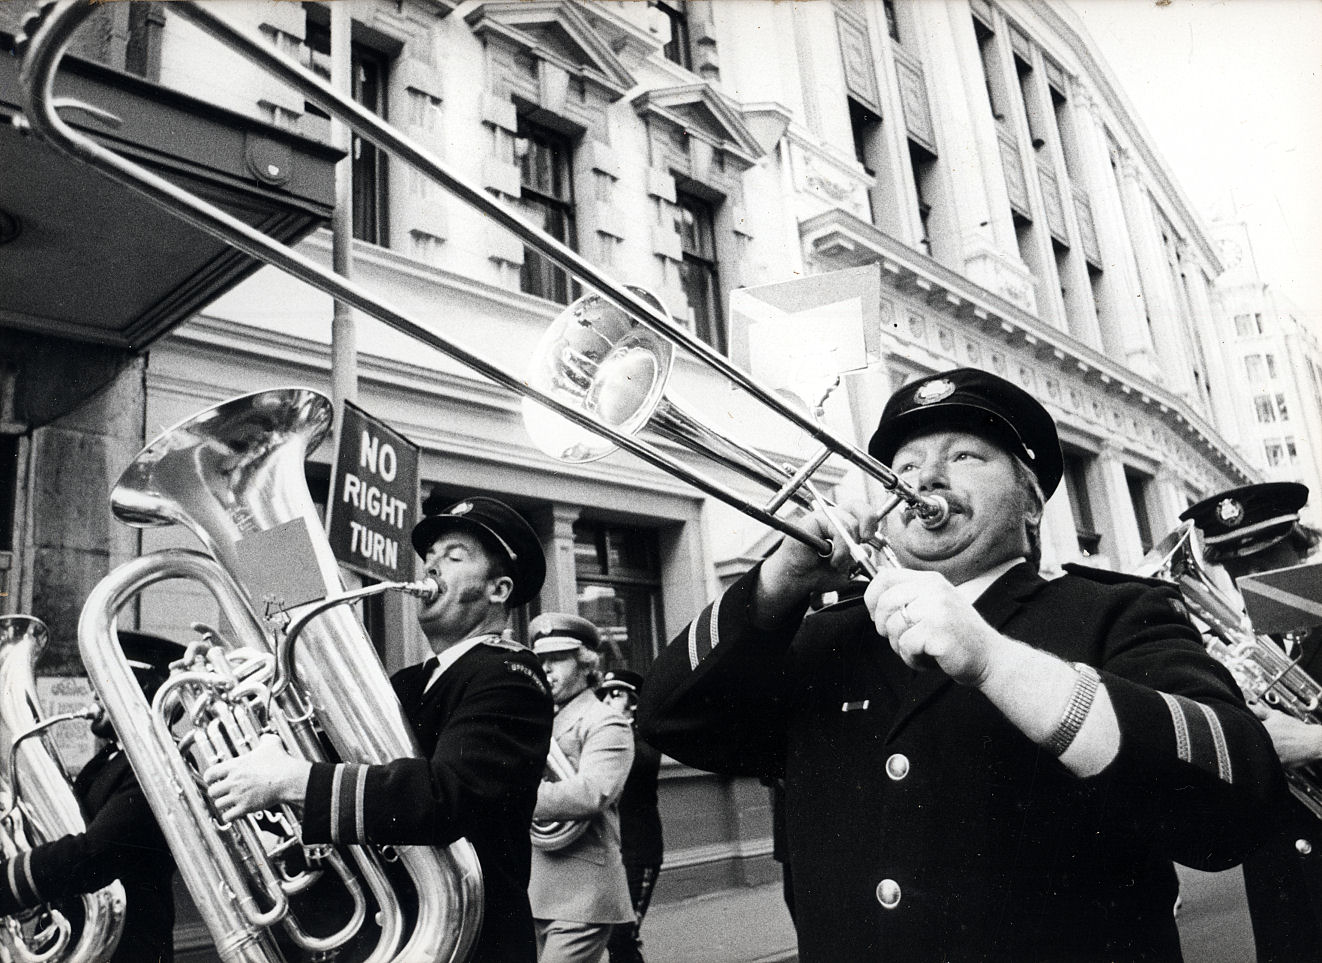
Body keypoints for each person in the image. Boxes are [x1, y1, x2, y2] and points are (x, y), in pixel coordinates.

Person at [637, 366, 1285, 963]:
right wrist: (779, 578)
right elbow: (669, 715)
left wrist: (994, 659)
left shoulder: (1113, 610)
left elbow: (1237, 799)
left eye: (965, 456)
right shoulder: (829, 633)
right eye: (906, 464)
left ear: (1032, 502)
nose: (923, 479)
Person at [203, 495, 554, 963]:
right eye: (429, 557)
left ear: (499, 589)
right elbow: (319, 762)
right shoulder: (411, 682)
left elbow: (449, 796)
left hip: (471, 944)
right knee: (255, 519)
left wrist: (292, 780)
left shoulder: (509, 676)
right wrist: (260, 697)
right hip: (392, 933)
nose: (430, 568)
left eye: (453, 556)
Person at [1181, 481, 1322, 963]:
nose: (1255, 581)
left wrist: (1314, 739)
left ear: (1303, 549)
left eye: (1270, 563)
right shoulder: (1233, 653)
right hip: (1283, 882)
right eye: (1240, 571)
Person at [0, 630, 181, 963]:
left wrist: (8, 882)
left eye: (101, 689)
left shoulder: (157, 766)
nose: (92, 699)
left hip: (127, 950)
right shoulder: (109, 760)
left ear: (137, 693)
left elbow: (97, 852)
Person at [528, 613, 634, 963]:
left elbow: (592, 792)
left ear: (586, 663)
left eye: (557, 659)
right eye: (540, 660)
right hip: (535, 885)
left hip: (583, 894)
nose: (546, 669)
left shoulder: (606, 721)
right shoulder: (537, 721)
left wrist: (514, 797)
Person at [598, 669, 664, 963]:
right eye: (605, 694)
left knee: (622, 937)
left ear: (634, 703)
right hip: (609, 851)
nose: (608, 700)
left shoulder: (644, 738)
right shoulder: (606, 736)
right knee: (612, 939)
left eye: (617, 693)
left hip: (639, 851)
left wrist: (613, 728)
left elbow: (635, 765)